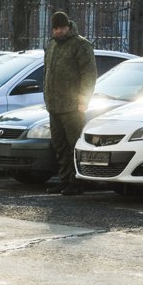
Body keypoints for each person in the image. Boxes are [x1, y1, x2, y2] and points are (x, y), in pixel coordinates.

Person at [43, 11, 97, 195]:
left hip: (72, 106)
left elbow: (88, 75)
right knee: (59, 145)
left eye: (62, 27)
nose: (59, 31)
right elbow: (47, 74)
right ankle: (64, 179)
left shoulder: (80, 45)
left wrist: (83, 101)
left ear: (68, 26)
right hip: (54, 105)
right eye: (56, 28)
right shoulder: (52, 46)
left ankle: (77, 181)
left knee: (74, 143)